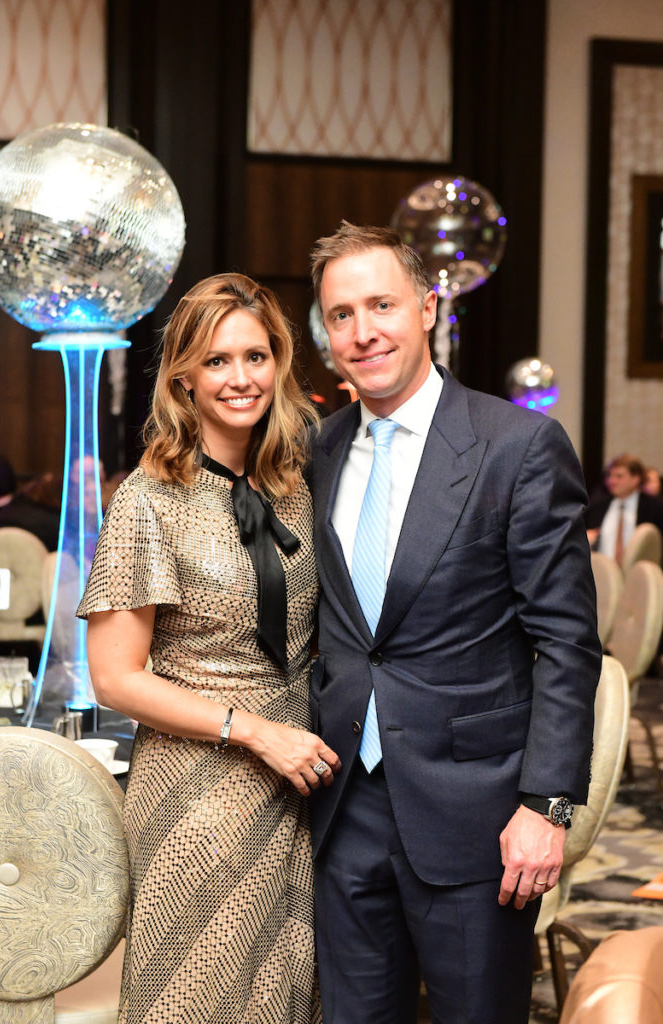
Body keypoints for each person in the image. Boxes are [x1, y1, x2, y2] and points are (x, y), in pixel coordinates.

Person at [307, 222, 601, 1024]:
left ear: (428, 307)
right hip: (343, 808)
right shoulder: (317, 450)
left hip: (478, 816)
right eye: (340, 315)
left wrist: (545, 806)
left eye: (381, 305)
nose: (362, 332)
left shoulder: (518, 447)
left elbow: (565, 643)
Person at [77, 273, 340, 1024]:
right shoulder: (148, 498)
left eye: (255, 356)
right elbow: (114, 679)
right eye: (217, 361)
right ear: (182, 376)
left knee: (286, 993)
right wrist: (255, 731)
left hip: (297, 783)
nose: (239, 378)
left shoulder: (298, 484)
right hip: (199, 786)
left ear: (280, 363)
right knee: (194, 998)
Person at [585, 453, 663, 563]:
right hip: (603, 575)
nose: (612, 481)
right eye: (610, 476)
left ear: (635, 478)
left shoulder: (656, 507)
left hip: (639, 575)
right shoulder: (597, 505)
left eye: (619, 476)